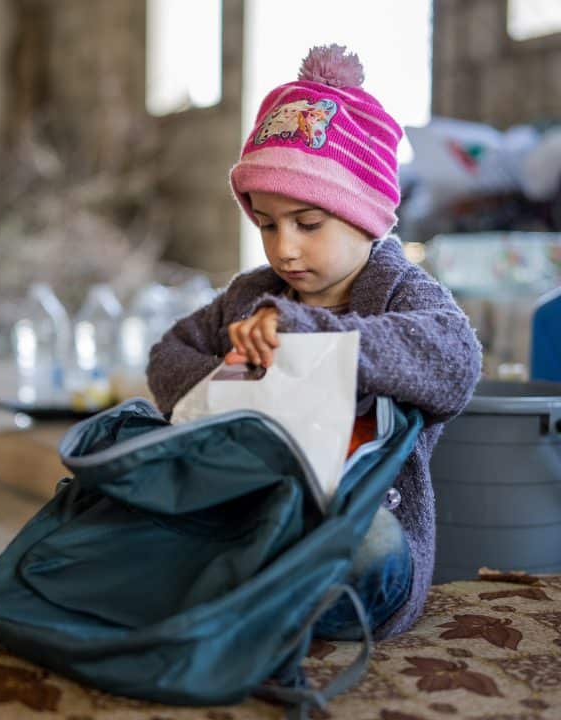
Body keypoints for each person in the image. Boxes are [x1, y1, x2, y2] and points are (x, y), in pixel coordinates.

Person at [146, 44, 482, 641]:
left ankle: (234, 598)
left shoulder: (400, 292)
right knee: (135, 461)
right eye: (268, 224)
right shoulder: (251, 294)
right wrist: (233, 373)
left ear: (367, 216)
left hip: (361, 531)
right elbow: (169, 353)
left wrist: (306, 333)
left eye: (307, 224)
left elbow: (454, 360)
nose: (284, 249)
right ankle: (239, 591)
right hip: (253, 508)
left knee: (362, 546)